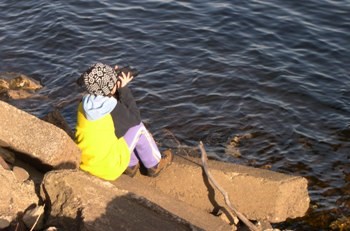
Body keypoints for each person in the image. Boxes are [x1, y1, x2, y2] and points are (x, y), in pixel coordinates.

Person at [75, 62, 173, 181]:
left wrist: (112, 85)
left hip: (88, 163)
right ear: (111, 87)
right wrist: (123, 89)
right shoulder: (112, 106)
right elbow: (135, 119)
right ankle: (154, 165)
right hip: (107, 168)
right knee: (138, 128)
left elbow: (113, 111)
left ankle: (132, 165)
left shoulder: (84, 104)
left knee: (120, 127)